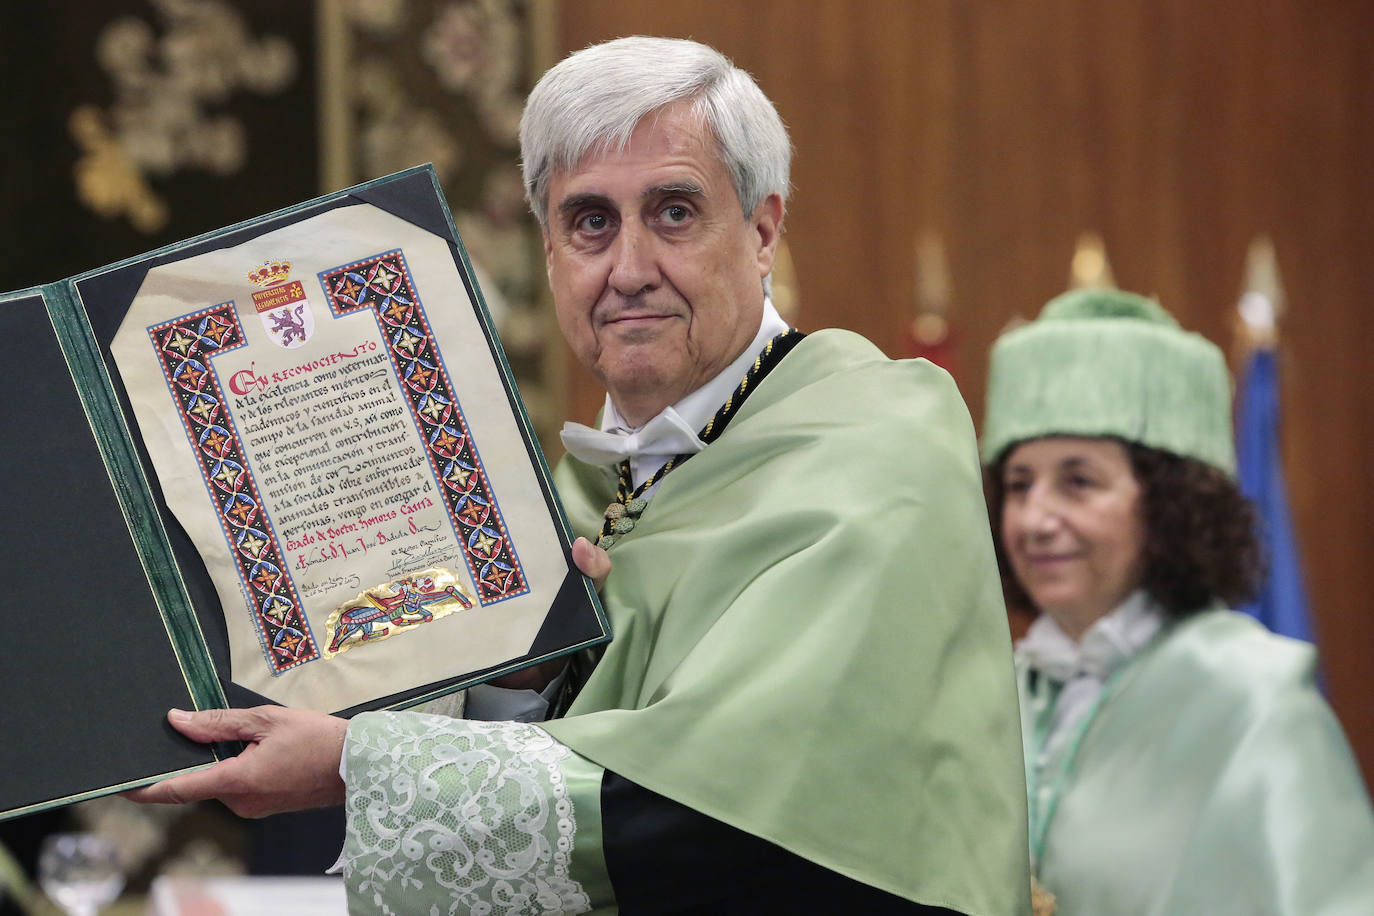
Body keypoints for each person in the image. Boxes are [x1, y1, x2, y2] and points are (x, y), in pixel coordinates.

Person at [130, 37, 1030, 914]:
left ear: (763, 231)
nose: (630, 270)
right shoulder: (575, 495)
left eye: (674, 212)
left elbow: (733, 806)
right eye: (590, 221)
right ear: (551, 252)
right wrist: (521, 672)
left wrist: (353, 766)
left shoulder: (881, 446)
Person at [980, 287, 1374, 915]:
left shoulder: (1257, 699)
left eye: (1077, 482)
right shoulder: (998, 693)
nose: (1034, 519)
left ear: (1171, 503)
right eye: (1019, 485)